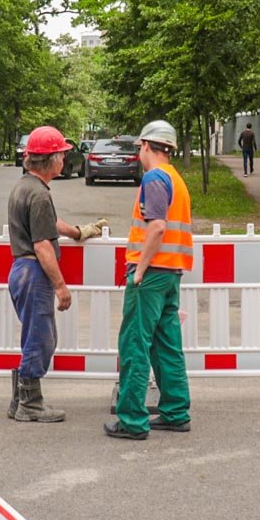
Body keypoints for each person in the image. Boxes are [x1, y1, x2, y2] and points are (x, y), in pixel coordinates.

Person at [6, 126, 107, 422]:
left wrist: (77, 232)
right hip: (33, 272)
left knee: (35, 336)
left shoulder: (27, 186)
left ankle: (19, 401)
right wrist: (61, 286)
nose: (64, 159)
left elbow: (49, 223)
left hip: (23, 271)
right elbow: (42, 245)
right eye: (61, 154)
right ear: (49, 160)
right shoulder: (38, 194)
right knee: (41, 339)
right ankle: (30, 405)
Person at [106, 120, 193, 440]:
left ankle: (131, 419)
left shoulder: (154, 178)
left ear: (145, 146)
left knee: (134, 344)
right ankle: (175, 411)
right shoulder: (175, 179)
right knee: (167, 345)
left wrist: (139, 270)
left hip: (152, 275)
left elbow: (156, 228)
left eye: (139, 147)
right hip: (171, 274)